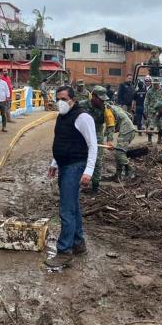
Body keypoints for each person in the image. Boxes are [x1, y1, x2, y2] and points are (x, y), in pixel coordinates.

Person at [47, 85, 98, 268]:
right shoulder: (62, 116)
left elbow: (93, 145)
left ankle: (64, 251)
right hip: (63, 165)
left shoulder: (83, 117)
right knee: (73, 206)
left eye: (63, 98)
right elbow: (62, 140)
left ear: (72, 99)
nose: (60, 102)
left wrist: (88, 171)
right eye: (57, 98)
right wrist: (54, 163)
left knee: (66, 209)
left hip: (75, 166)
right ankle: (78, 243)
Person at [81, 86, 109, 194]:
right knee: (81, 159)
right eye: (100, 99)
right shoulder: (81, 105)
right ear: (93, 96)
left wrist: (109, 138)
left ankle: (95, 187)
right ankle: (80, 182)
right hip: (82, 136)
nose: (102, 101)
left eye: (103, 99)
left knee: (97, 161)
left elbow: (110, 124)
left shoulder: (106, 108)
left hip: (97, 136)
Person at [104, 101, 136, 180]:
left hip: (126, 131)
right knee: (120, 151)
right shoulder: (117, 108)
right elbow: (129, 116)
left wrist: (109, 140)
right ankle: (118, 175)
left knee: (119, 152)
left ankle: (130, 170)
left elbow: (110, 127)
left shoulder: (107, 110)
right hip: (129, 129)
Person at [143, 78, 162, 144]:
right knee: (150, 126)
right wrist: (145, 110)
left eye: (156, 84)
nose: (155, 85)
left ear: (159, 84)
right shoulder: (150, 91)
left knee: (160, 126)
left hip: (160, 112)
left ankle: (159, 139)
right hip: (151, 112)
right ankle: (149, 140)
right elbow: (146, 101)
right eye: (154, 84)